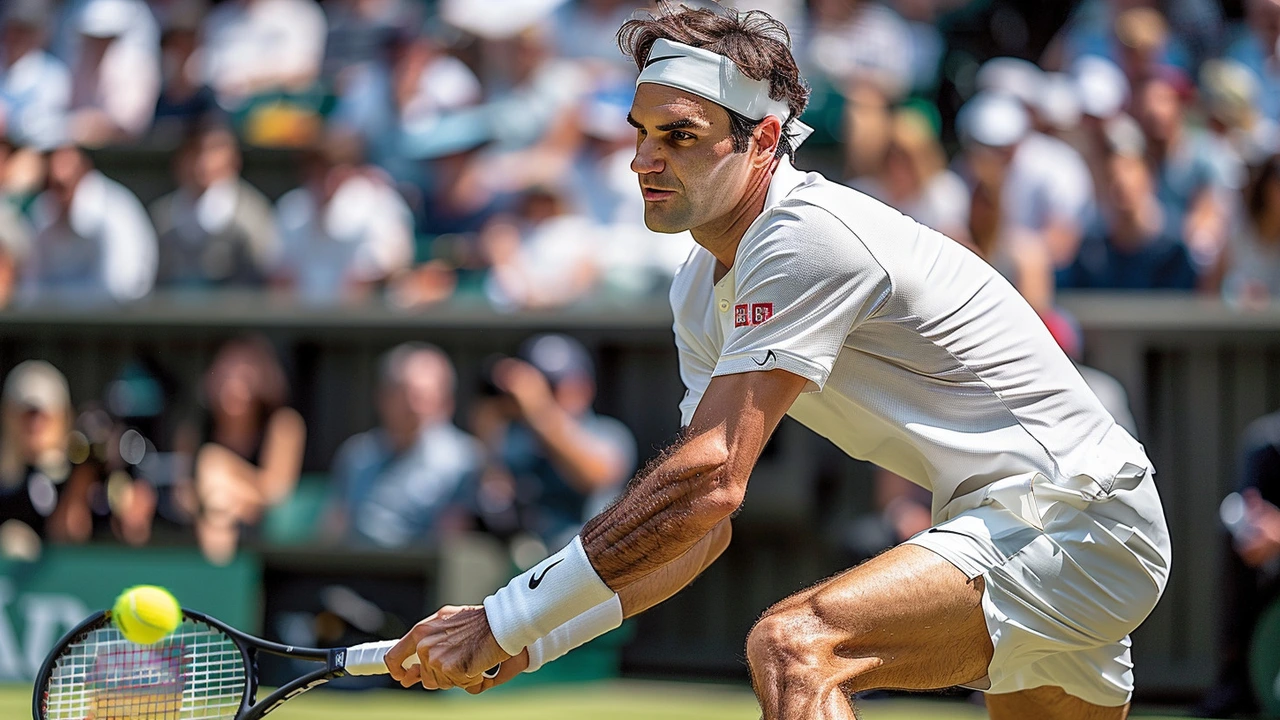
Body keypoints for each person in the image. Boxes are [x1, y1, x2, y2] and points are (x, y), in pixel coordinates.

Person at [385, 7, 1171, 720]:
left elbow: (708, 477)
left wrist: (504, 616)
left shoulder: (806, 235)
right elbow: (699, 531)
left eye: (680, 136)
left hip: (1075, 520)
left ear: (763, 139)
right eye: (641, 133)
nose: (642, 163)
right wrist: (537, 640)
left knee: (794, 647)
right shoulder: (700, 288)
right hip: (1012, 524)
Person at [469, 334, 635, 549]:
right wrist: (489, 421)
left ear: (584, 387)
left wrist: (540, 410)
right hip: (525, 562)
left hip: (583, 560)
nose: (537, 395)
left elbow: (594, 476)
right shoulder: (513, 438)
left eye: (551, 386)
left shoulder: (608, 433)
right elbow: (490, 495)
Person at [327, 343, 481, 549]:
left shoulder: (466, 459)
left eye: (424, 397)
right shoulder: (357, 453)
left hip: (421, 575)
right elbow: (336, 524)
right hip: (355, 569)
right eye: (405, 395)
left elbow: (452, 541)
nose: (414, 408)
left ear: (446, 402)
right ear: (382, 398)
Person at [174, 335, 305, 565]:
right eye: (226, 374)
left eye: (244, 375)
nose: (233, 385)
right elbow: (182, 495)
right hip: (200, 533)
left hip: (266, 538)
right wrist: (216, 501)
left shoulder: (284, 424)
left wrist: (224, 475)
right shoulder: (192, 429)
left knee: (213, 468)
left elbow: (276, 493)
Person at [1195, 410, 1280, 718]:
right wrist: (1261, 534)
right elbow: (1250, 512)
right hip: (1270, 559)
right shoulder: (1267, 438)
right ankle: (1236, 683)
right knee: (1237, 539)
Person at [1057, 116, 1198, 291]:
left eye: (1129, 169)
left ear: (1148, 174)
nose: (1121, 182)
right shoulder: (1091, 255)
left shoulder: (1175, 252)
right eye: (1112, 174)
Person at [22, 143, 157, 305]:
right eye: (50, 184)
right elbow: (32, 288)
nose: (57, 194)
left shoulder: (115, 211)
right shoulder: (43, 210)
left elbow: (121, 287)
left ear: (84, 175)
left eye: (63, 185)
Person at [150, 123, 280, 289]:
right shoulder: (162, 216)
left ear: (233, 160)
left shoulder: (251, 218)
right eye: (194, 151)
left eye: (212, 151)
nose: (202, 161)